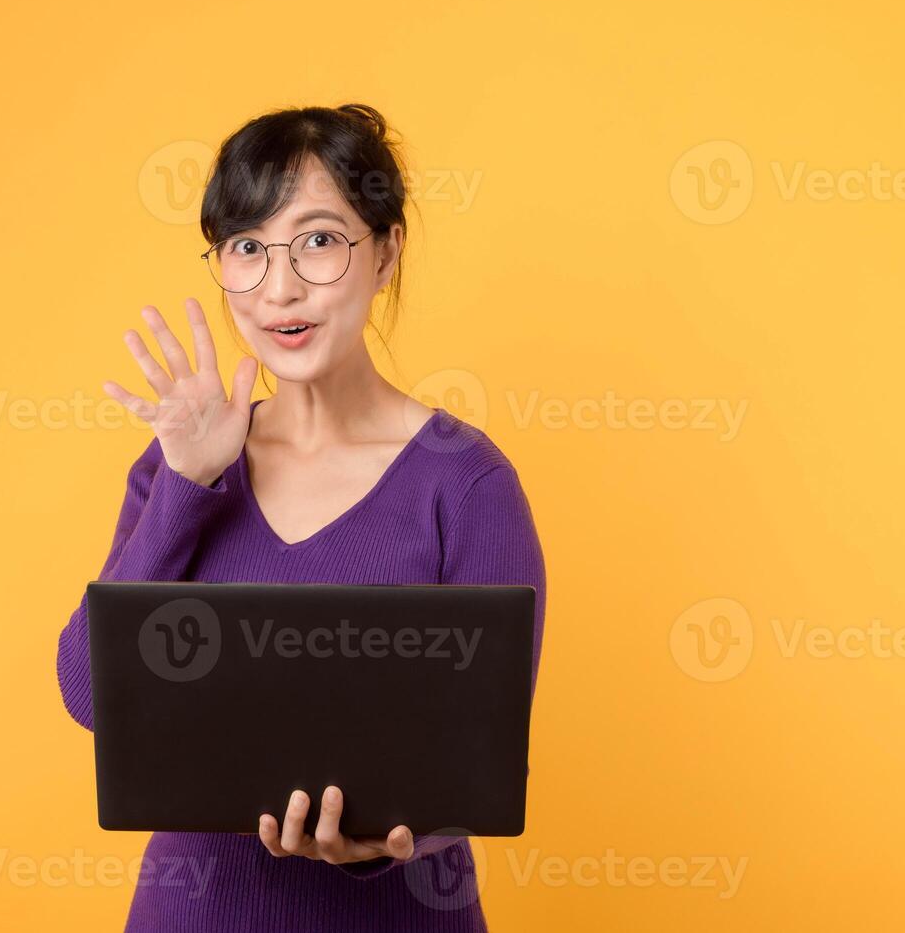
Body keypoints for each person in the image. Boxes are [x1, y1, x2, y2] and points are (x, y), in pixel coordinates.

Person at [56, 103, 547, 932]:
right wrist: (187, 482)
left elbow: (481, 762)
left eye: (318, 240)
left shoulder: (466, 483)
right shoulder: (181, 463)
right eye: (247, 249)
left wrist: (388, 841)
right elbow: (90, 694)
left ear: (385, 251)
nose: (279, 288)